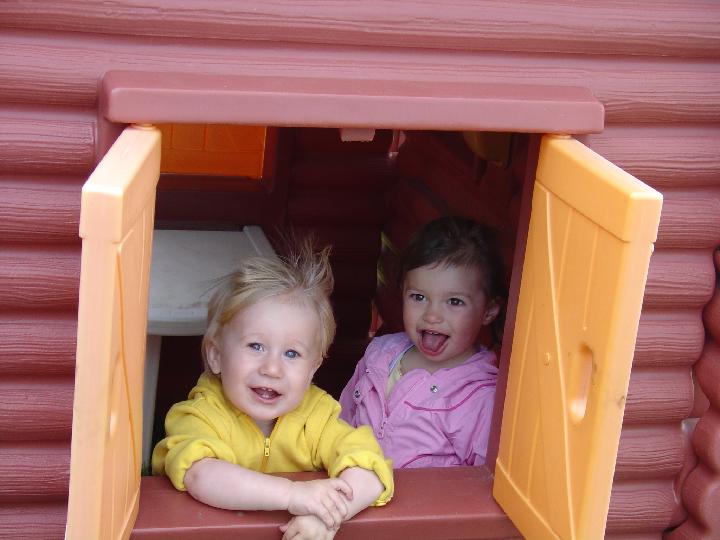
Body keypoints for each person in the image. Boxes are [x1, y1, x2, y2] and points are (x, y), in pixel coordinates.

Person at [152, 242, 393, 540]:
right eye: (256, 346)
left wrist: (327, 515)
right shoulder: (199, 415)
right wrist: (293, 494)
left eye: (292, 353)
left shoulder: (317, 417)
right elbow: (201, 474)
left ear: (313, 369)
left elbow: (370, 469)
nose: (272, 368)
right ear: (216, 355)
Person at [340, 216, 505, 469]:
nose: (432, 315)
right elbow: (341, 422)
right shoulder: (379, 355)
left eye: (454, 302)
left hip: (419, 498)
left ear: (489, 311)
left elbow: (482, 482)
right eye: (418, 297)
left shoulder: (481, 398)